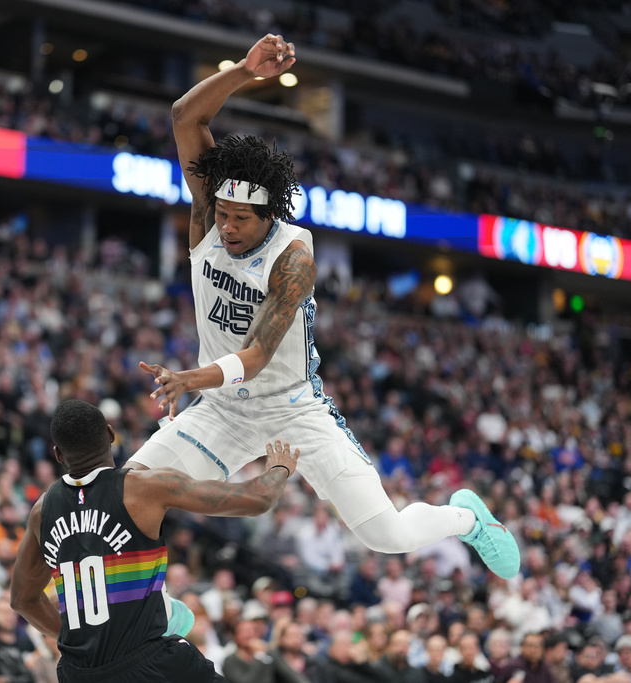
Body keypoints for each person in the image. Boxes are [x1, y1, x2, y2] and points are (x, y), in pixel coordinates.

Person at [128, 33, 520, 580]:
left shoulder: (293, 257)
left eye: (241, 218)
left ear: (269, 215)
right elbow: (184, 117)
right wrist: (244, 71)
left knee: (385, 535)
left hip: (292, 410)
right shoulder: (206, 216)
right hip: (222, 410)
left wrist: (189, 379)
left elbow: (260, 353)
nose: (228, 225)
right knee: (123, 497)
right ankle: (154, 612)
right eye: (222, 212)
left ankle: (467, 520)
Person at [10, 398, 299, 683]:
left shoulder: (41, 510)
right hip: (147, 663)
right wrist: (279, 469)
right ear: (111, 434)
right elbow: (257, 499)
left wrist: (77, 640)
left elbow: (22, 598)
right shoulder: (143, 488)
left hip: (78, 672)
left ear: (59, 454)